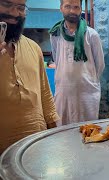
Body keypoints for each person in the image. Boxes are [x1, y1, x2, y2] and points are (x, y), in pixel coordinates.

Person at [0, 0, 59, 154]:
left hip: (35, 149)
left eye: (20, 7)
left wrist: (55, 139)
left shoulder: (33, 48)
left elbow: (45, 95)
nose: (14, 13)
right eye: (6, 4)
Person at [49, 0, 105, 125]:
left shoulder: (92, 35)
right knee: (62, 134)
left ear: (80, 10)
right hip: (63, 93)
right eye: (68, 6)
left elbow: (99, 65)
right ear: (61, 8)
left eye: (76, 7)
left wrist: (87, 80)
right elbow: (57, 60)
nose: (72, 11)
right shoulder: (55, 34)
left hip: (87, 94)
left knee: (87, 132)